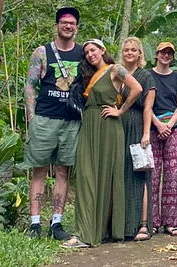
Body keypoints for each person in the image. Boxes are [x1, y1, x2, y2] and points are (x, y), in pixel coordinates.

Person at [63, 39, 142, 247]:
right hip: (89, 126)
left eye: (94, 50)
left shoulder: (115, 70)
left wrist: (120, 110)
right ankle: (88, 230)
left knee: (105, 178)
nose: (90, 54)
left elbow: (137, 89)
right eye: (87, 52)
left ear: (102, 50)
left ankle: (90, 234)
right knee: (87, 176)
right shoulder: (88, 76)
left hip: (108, 126)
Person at [23, 7, 82, 241]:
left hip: (71, 121)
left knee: (63, 171)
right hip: (45, 118)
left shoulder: (82, 53)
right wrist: (31, 115)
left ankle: (56, 222)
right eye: (64, 22)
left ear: (77, 27)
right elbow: (30, 84)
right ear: (57, 25)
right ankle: (34, 223)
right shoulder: (42, 52)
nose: (68, 26)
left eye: (73, 23)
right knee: (39, 171)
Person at [119, 37, 156, 241]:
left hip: (137, 125)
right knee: (122, 174)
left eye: (134, 50)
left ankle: (143, 224)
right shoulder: (119, 74)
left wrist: (146, 133)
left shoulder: (146, 76)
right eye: (126, 50)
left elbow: (148, 108)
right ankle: (123, 223)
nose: (130, 53)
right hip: (119, 126)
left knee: (140, 175)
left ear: (140, 53)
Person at [149, 41, 177, 236]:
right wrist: (158, 124)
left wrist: (169, 125)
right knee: (153, 176)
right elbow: (145, 105)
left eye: (169, 54)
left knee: (173, 177)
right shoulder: (148, 75)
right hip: (152, 127)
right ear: (156, 54)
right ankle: (153, 221)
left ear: (172, 57)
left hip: (173, 128)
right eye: (162, 53)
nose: (165, 56)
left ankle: (171, 222)